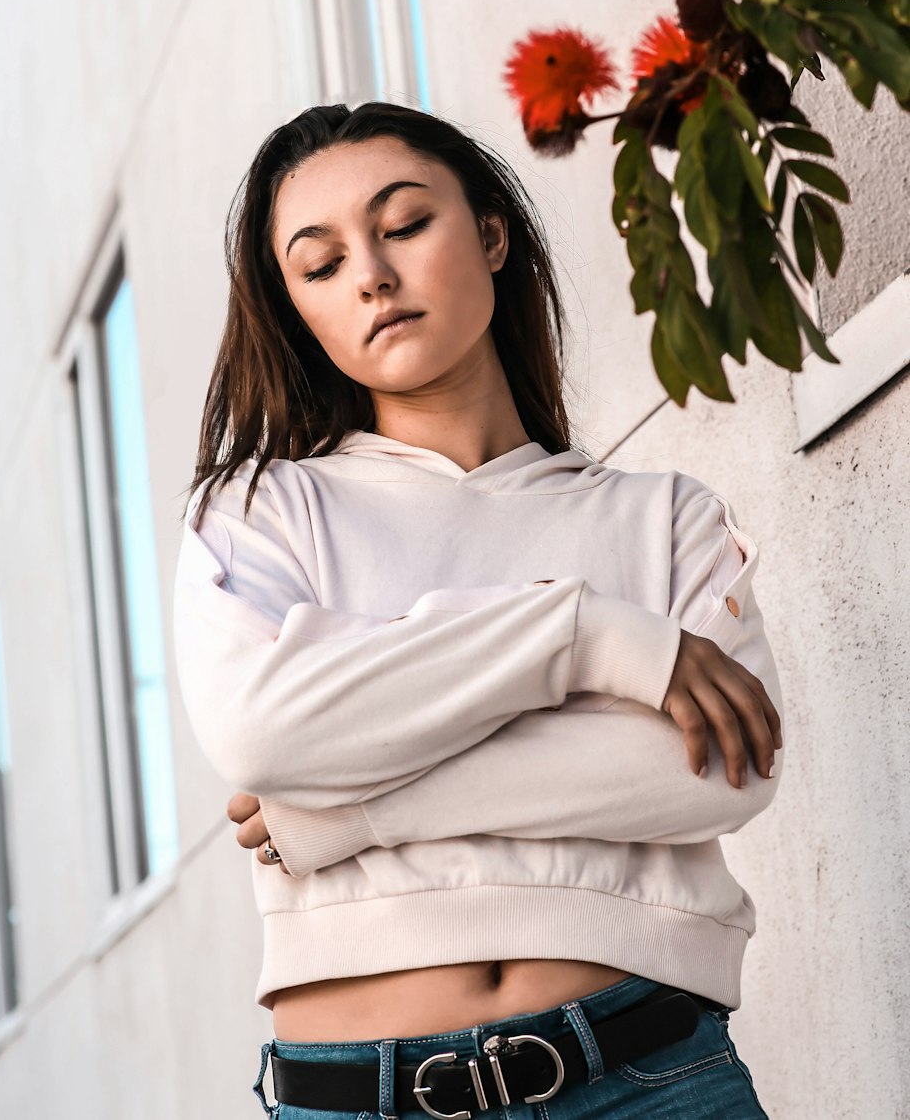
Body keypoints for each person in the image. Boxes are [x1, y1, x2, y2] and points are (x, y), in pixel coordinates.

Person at [171, 100, 784, 1119]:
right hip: (358, 1095)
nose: (371, 274)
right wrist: (586, 637)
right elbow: (265, 731)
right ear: (297, 312)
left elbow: (718, 774)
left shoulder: (663, 517)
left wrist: (358, 809)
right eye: (320, 266)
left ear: (491, 235)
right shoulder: (257, 512)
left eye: (405, 225)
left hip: (649, 1078)